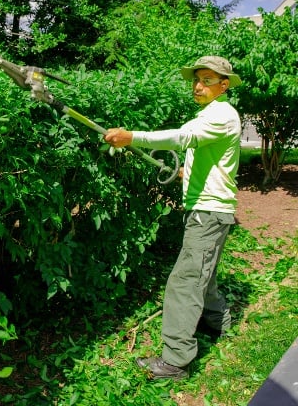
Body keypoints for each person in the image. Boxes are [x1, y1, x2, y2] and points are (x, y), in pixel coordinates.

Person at [104, 56, 242, 380]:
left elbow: (182, 138)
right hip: (211, 209)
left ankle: (176, 361)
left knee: (184, 283)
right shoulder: (213, 115)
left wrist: (132, 137)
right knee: (203, 275)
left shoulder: (221, 114)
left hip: (209, 212)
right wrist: (187, 171)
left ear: (224, 85)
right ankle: (220, 325)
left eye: (208, 79)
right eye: (197, 79)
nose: (199, 85)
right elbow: (207, 153)